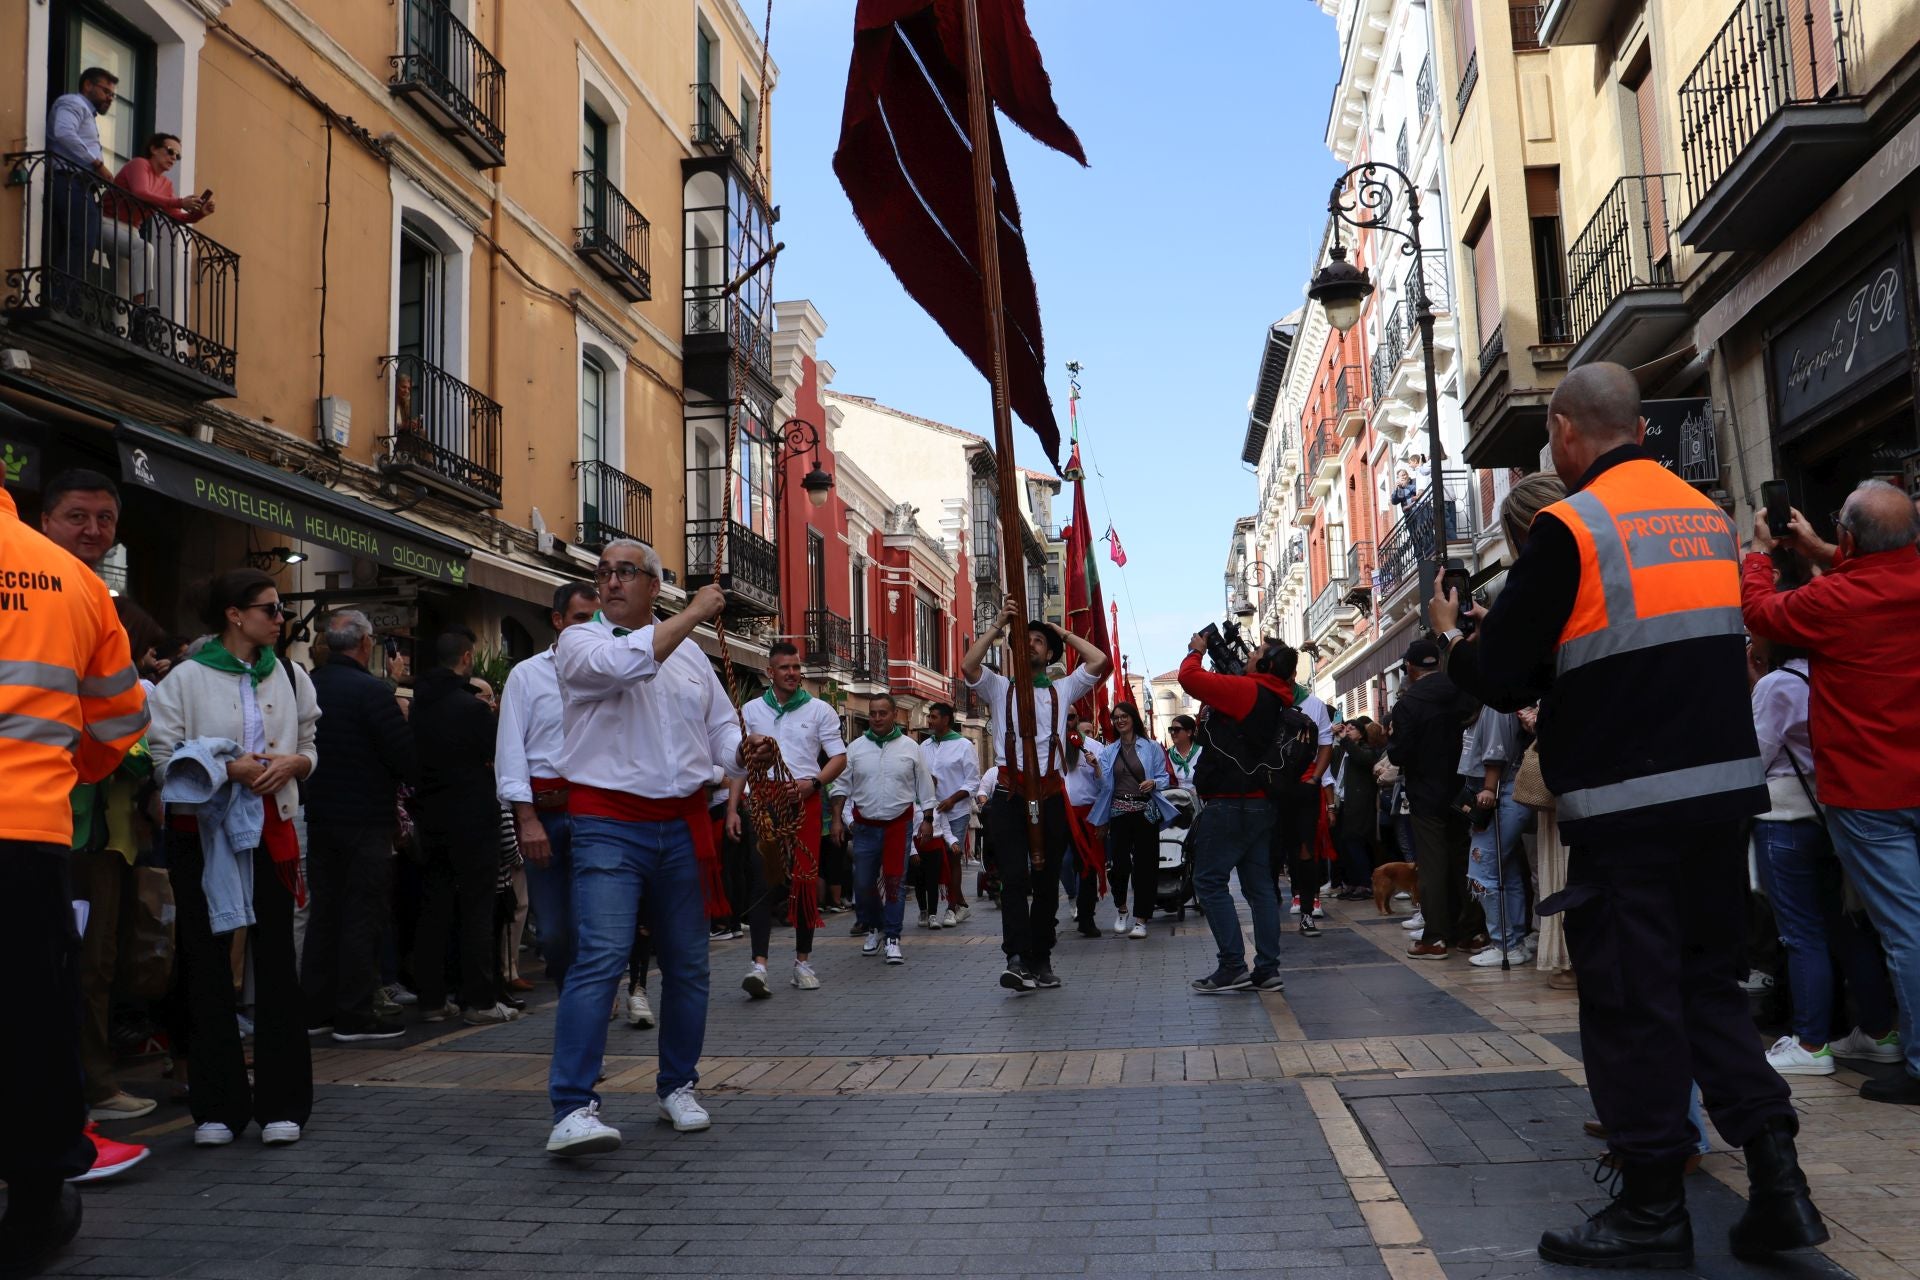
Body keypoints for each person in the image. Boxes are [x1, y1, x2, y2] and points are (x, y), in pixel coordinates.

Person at [1435, 361, 1821, 1267]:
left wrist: (1456, 640)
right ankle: (1780, 1183)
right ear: (1641, 428)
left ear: (1566, 434)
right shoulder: (1705, 517)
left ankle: (1651, 1205)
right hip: (1721, 797)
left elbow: (1503, 674)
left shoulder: (1572, 527)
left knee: (1629, 1000)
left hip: (1627, 807)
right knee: (1706, 988)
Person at [542, 540, 773, 1156]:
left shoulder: (691, 654)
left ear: (653, 584)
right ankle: (572, 1106)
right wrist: (694, 612)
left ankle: (678, 1086)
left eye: (626, 572)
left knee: (689, 964)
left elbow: (719, 726)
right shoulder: (580, 642)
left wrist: (741, 752)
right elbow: (629, 665)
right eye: (604, 573)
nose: (612, 582)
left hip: (681, 820)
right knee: (601, 958)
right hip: (608, 821)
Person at [0, 481, 148, 1274]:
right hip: (27, 830)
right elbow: (120, 719)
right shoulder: (71, 580)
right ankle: (33, 1206)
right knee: (30, 1018)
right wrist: (73, 768)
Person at [1744, 479, 1920, 1104]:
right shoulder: (1888, 578)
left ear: (1849, 536)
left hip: (1870, 791)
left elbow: (1761, 613)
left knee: (1903, 928)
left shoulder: (1834, 600)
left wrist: (1760, 553)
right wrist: (1819, 548)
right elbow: (1880, 569)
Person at [148, 569, 317, 1149]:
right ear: (234, 615)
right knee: (206, 961)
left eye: (280, 609)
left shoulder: (291, 673)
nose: (280, 619)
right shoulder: (186, 678)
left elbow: (310, 744)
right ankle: (215, 1106)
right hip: (202, 831)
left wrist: (296, 764)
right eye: (270, 609)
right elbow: (161, 760)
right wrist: (227, 769)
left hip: (274, 829)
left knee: (276, 963)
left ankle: (282, 1104)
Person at [1745, 628, 1899, 1077]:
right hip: (1833, 812)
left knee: (1800, 933)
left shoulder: (1778, 684)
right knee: (1845, 927)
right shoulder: (1834, 674)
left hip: (1784, 818)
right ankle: (1878, 1033)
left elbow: (1755, 758)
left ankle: (1811, 1044)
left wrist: (1755, 684)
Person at [961, 605, 1111, 993]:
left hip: (1049, 796)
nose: (1030, 644)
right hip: (1010, 795)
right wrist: (997, 625)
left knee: (1046, 882)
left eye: (1039, 641)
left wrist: (1062, 633)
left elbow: (1099, 660)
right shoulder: (999, 687)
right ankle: (1015, 958)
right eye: (1024, 640)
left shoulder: (1063, 689)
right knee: (1013, 879)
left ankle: (1040, 958)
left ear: (1050, 653)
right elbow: (968, 666)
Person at [302, 610, 416, 1041]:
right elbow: (403, 756)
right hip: (366, 817)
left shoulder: (308, 685)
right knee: (362, 914)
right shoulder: (372, 692)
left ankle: (316, 1010)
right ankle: (354, 1013)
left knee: (324, 913)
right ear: (365, 643)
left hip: (319, 814)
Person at [1178, 634, 1298, 993]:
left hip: (1231, 801)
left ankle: (1232, 966)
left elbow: (1189, 678)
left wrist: (1196, 650)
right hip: (1261, 802)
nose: (1249, 653)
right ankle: (1267, 969)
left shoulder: (1248, 691)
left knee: (1208, 881)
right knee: (1260, 888)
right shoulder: (1278, 696)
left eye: (1257, 652)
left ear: (1266, 664)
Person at [496, 581, 599, 996]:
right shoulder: (526, 675)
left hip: (598, 813)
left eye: (596, 620)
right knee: (554, 933)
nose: (590, 628)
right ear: (558, 620)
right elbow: (510, 751)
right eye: (580, 619)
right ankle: (573, 994)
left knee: (592, 922)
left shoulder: (609, 673)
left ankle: (589, 1000)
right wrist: (527, 819)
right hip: (546, 817)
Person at [410, 625, 515, 1026]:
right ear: (467, 658)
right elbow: (497, 755)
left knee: (433, 908)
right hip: (472, 817)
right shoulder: (472, 709)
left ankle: (432, 999)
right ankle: (480, 1000)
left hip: (431, 816)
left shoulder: (419, 704)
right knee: (476, 910)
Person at [734, 640, 847, 994]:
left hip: (804, 799)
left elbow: (838, 758)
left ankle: (803, 963)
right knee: (762, 879)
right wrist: (732, 808)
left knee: (804, 881)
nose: (792, 673)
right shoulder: (751, 710)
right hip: (762, 800)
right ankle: (759, 966)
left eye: (796, 667)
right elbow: (740, 764)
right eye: (785, 667)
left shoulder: (820, 710)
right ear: (770, 672)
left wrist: (814, 783)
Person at [833, 693, 936, 966]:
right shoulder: (855, 748)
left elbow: (925, 784)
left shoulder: (910, 747)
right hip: (864, 826)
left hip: (898, 825)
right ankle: (875, 926)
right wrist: (837, 820)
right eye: (873, 713)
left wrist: (928, 818)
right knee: (862, 883)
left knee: (894, 882)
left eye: (882, 713)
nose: (877, 718)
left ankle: (892, 937)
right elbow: (841, 786)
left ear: (894, 715)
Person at [1090, 701, 1178, 940]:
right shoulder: (1109, 751)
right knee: (1119, 866)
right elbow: (1103, 785)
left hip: (1145, 811)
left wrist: (1154, 783)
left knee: (1145, 867)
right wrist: (1097, 769)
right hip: (1118, 811)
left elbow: (1165, 778)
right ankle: (1121, 909)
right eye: (1116, 717)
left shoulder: (1151, 747)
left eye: (1124, 716)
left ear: (1133, 718)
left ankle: (1141, 919)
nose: (1120, 720)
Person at [105, 133, 212, 307]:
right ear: (154, 149)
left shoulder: (166, 185)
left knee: (123, 289)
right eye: (170, 151)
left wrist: (200, 213)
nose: (174, 158)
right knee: (145, 248)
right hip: (106, 221)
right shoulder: (139, 164)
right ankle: (142, 303)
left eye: (178, 156)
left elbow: (177, 217)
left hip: (132, 231)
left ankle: (127, 321)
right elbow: (140, 192)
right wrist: (179, 202)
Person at [1270, 652, 1335, 932]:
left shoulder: (1313, 703)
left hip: (1304, 785)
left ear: (1293, 675)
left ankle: (1308, 910)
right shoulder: (1264, 700)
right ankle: (1271, 911)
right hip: (1272, 786)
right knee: (1273, 850)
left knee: (1306, 849)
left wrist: (1315, 778)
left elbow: (1326, 744)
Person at [1462, 704, 1530, 968]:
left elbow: (1495, 753)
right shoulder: (1498, 705)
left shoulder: (1495, 707)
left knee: (1481, 873)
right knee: (1506, 872)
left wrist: (1489, 789)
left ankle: (1505, 944)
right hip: (1506, 792)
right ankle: (1514, 941)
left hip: (1498, 794)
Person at [45, 68, 119, 293]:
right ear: (88, 85)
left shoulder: (84, 111)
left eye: (112, 95)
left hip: (78, 184)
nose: (110, 98)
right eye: (106, 91)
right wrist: (96, 164)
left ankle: (65, 297)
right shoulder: (74, 103)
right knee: (82, 240)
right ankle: (62, 298)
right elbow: (64, 132)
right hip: (69, 181)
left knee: (80, 241)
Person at [919, 701, 979, 928]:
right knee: (934, 860)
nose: (929, 720)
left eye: (934, 716)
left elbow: (972, 781)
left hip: (956, 812)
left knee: (952, 856)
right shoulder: (924, 746)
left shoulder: (964, 745)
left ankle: (952, 908)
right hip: (930, 813)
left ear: (946, 719)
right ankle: (955, 904)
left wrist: (952, 799)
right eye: (929, 716)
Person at [1328, 720, 1382, 900]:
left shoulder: (1366, 750)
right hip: (1342, 802)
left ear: (1361, 733)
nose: (1348, 731)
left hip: (1358, 804)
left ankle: (1364, 884)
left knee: (1355, 842)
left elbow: (1362, 758)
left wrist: (1345, 740)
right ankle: (1351, 882)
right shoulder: (1343, 750)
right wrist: (1331, 734)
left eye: (1352, 729)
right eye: (1347, 728)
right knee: (1343, 845)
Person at [1166, 715, 1202, 792]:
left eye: (1177, 729)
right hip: (1174, 798)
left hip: (1197, 798)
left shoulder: (1202, 753)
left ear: (1189, 732)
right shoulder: (1167, 755)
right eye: (1171, 729)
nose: (1172, 733)